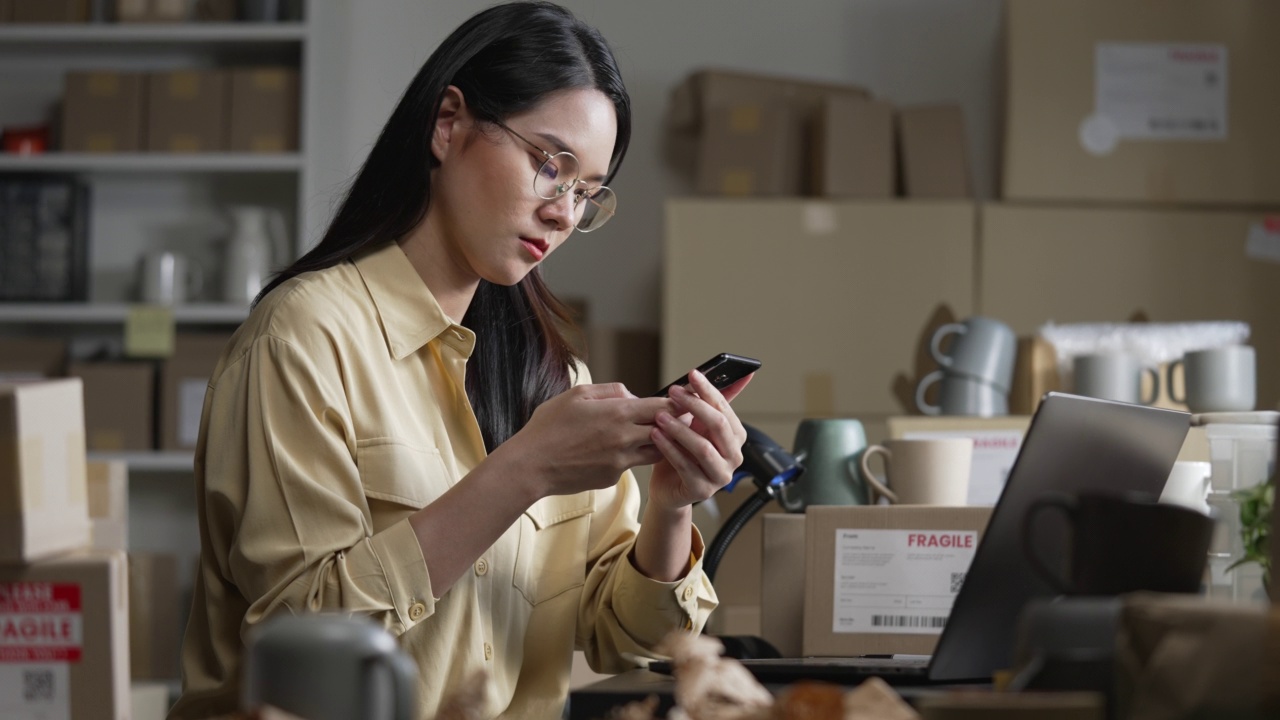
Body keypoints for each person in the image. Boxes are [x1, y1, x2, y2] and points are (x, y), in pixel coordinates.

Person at [167, 3, 752, 719]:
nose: (564, 212)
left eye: (586, 192)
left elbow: (628, 640)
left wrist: (670, 503)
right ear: (448, 124)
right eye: (549, 165)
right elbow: (301, 646)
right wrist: (523, 470)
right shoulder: (302, 338)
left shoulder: (549, 372)